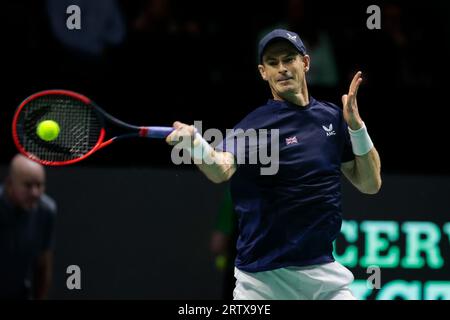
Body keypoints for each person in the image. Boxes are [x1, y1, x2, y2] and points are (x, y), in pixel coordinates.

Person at [166, 29, 381, 300]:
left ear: (305, 63)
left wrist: (357, 127)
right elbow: (220, 169)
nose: (282, 68)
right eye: (273, 62)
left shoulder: (332, 118)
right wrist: (194, 144)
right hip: (263, 283)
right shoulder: (257, 125)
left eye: (289, 59)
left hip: (324, 279)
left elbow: (370, 183)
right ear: (263, 72)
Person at [0, 154, 57, 299]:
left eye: (39, 185)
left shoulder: (47, 211)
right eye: (28, 185)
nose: (35, 193)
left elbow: (43, 266)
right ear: (9, 184)